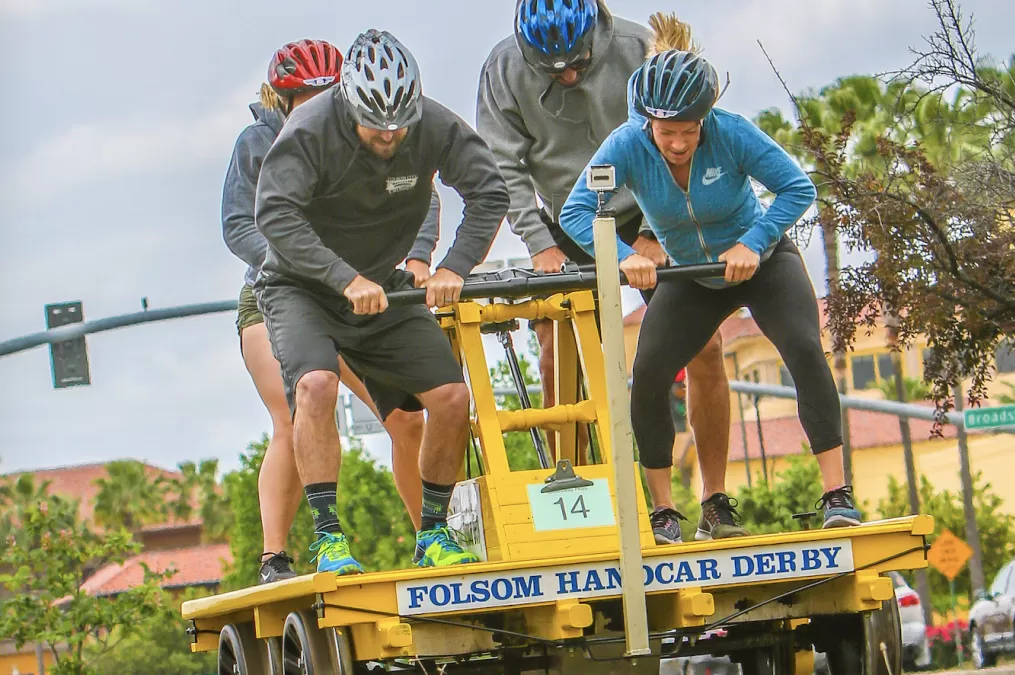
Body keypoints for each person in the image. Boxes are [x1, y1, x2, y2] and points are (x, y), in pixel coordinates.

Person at [558, 18, 862, 536]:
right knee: (649, 374)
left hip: (760, 262)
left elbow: (797, 188)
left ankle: (837, 495)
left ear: (705, 119)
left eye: (688, 132)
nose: (678, 144)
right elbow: (576, 213)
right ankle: (664, 511)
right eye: (667, 133)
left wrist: (755, 242)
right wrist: (625, 254)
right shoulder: (627, 144)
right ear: (647, 123)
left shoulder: (732, 132)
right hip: (690, 275)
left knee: (805, 348)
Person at [476, 1, 735, 545]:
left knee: (705, 344)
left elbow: (681, 137)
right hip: (568, 218)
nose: (568, 76)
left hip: (652, 208)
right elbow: (504, 168)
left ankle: (714, 501)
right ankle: (578, 506)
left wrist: (653, 235)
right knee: (557, 350)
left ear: (600, 31)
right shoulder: (501, 71)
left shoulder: (640, 49)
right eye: (553, 69)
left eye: (578, 63)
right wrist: (540, 243)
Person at [253, 29, 509, 574]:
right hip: (301, 285)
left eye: (398, 127)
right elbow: (273, 214)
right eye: (375, 126)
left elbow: (489, 191)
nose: (388, 137)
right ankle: (328, 541)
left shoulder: (434, 125)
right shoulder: (309, 128)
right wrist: (342, 278)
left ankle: (434, 534)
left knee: (449, 399)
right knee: (315, 384)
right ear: (348, 104)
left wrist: (453, 266)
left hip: (382, 284)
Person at [222, 39, 442, 583]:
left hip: (364, 293)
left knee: (407, 419)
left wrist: (416, 257)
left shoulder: (369, 133)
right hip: (282, 295)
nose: (317, 105)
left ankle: (431, 539)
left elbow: (424, 196)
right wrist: (304, 267)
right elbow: (237, 225)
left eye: (327, 93)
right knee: (298, 409)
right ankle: (277, 556)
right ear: (281, 98)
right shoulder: (258, 143)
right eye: (305, 97)